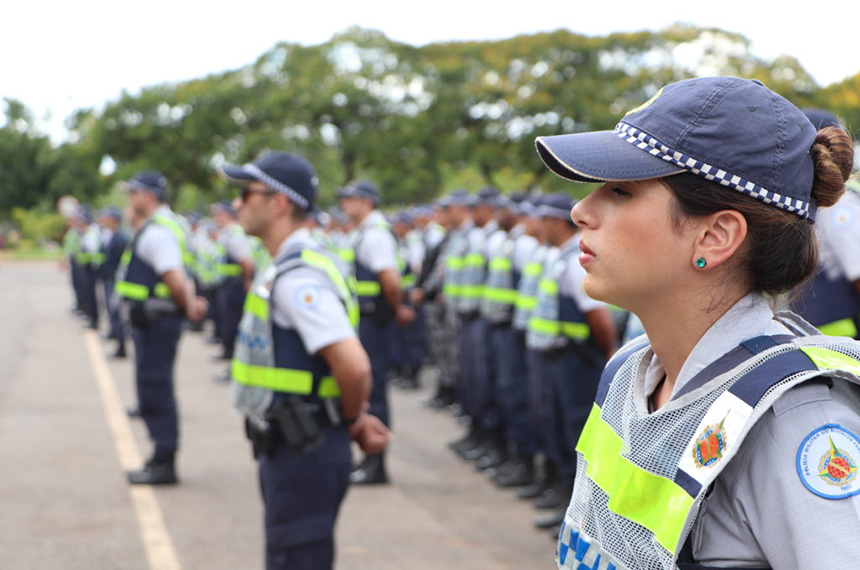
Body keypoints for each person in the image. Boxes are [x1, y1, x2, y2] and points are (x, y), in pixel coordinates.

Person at [535, 76, 859, 569]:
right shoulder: (628, 370)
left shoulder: (793, 422)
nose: (581, 210)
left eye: (620, 191)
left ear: (715, 235)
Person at [220, 151, 389, 570]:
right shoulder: (295, 262)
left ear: (278, 202)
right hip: (297, 441)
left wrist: (353, 420)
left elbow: (354, 365)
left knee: (296, 558)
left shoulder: (298, 277)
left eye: (246, 193)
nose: (237, 204)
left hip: (304, 445)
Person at [117, 170, 208, 485]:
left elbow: (173, 276)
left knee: (156, 386)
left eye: (134, 193)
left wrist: (188, 306)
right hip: (157, 320)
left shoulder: (158, 232)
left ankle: (164, 459)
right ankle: (161, 454)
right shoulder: (169, 225)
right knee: (156, 385)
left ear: (149, 196)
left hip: (157, 321)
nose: (129, 199)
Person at [338, 179, 413, 485]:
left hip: (374, 321)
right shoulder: (365, 232)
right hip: (366, 320)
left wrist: (396, 311)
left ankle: (376, 463)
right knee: (371, 389)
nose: (344, 204)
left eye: (349, 198)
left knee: (374, 390)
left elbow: (390, 280)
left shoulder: (376, 235)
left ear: (366, 201)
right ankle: (369, 460)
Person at [792, 108, 860, 338]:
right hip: (844, 326)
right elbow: (857, 270)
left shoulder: (798, 200)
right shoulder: (836, 203)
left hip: (811, 325)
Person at [96, 206, 130, 358]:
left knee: (116, 313)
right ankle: (117, 340)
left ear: (114, 220)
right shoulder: (112, 235)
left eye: (108, 218)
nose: (105, 221)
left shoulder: (120, 238)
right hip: (110, 279)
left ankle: (121, 346)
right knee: (112, 312)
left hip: (116, 281)